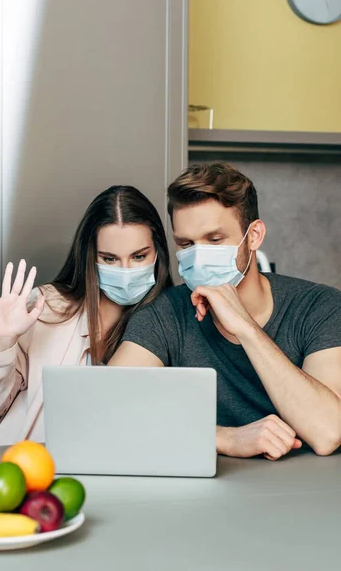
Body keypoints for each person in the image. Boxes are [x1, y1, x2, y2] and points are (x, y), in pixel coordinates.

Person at [110, 163, 341, 460]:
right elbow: (109, 411)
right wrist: (223, 437)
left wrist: (245, 328)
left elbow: (328, 431)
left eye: (215, 239)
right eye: (186, 243)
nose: (199, 254)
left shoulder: (319, 306)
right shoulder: (164, 314)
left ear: (254, 235)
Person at [0, 185, 172, 447]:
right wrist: (3, 342)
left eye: (139, 256)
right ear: (90, 255)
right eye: (109, 259)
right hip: (27, 469)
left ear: (158, 252)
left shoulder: (171, 318)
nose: (125, 271)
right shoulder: (46, 307)